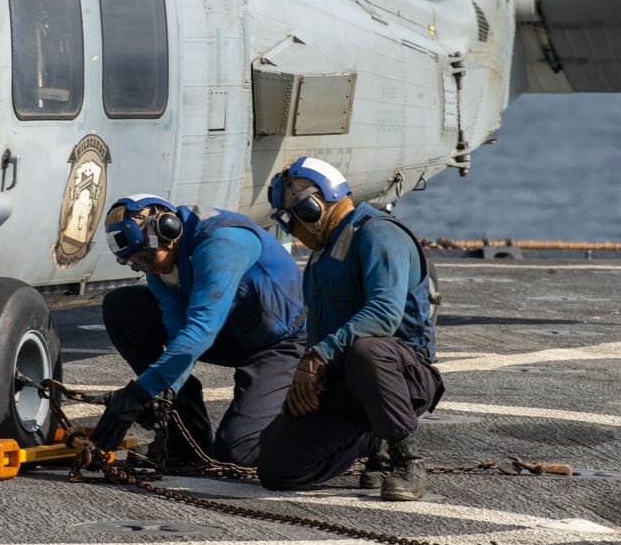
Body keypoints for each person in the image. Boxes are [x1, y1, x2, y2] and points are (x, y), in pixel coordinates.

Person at [257, 157, 444, 501]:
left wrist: (318, 356)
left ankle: (407, 460)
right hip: (347, 378)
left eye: (290, 218)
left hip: (401, 376)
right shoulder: (321, 253)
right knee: (275, 465)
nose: (290, 230)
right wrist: (308, 382)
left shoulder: (378, 234)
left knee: (366, 351)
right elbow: (318, 331)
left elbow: (384, 314)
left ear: (311, 207)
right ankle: (372, 437)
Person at [92, 194, 306, 467]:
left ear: (167, 229)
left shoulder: (220, 244)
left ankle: (352, 435)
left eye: (145, 256)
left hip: (278, 344)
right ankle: (186, 438)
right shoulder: (160, 269)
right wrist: (165, 393)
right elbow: (178, 332)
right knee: (121, 306)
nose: (146, 267)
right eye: (136, 263)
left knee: (239, 451)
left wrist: (140, 391)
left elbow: (202, 328)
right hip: (228, 333)